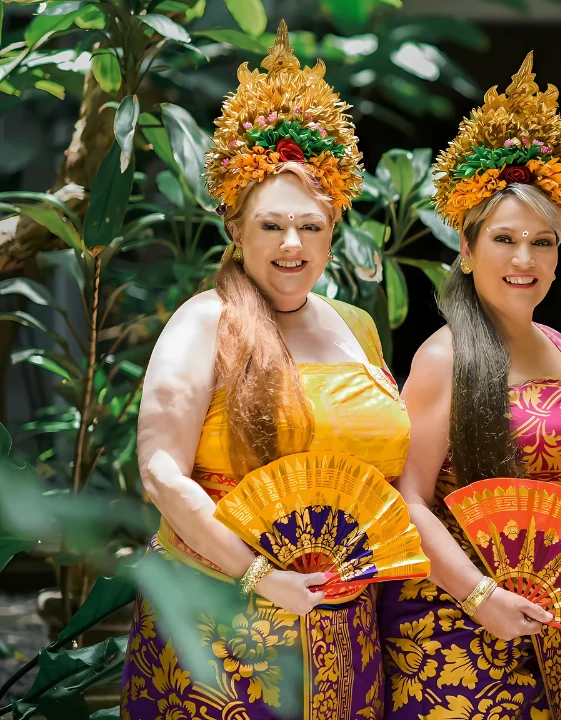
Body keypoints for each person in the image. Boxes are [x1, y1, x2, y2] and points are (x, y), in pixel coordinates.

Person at [121, 22, 399, 719]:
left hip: (346, 630)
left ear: (333, 229)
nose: (291, 244)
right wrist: (258, 574)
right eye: (271, 225)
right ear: (235, 228)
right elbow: (160, 474)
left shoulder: (356, 327)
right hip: (221, 622)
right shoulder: (203, 322)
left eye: (310, 226)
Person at [377, 53, 561, 720]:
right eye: (505, 239)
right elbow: (408, 500)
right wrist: (481, 596)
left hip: (553, 623)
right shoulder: (442, 359)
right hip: (452, 630)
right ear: (467, 246)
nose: (524, 260)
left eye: (543, 242)